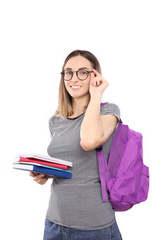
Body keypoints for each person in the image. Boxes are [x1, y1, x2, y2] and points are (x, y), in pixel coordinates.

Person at [30, 50, 123, 240]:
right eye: (68, 72)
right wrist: (47, 173)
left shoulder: (108, 111)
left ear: (95, 75)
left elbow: (89, 141)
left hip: (93, 225)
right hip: (55, 222)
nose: (74, 78)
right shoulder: (56, 120)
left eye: (83, 72)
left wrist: (96, 94)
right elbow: (74, 164)